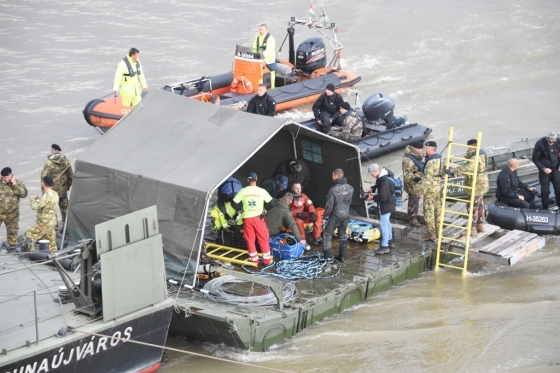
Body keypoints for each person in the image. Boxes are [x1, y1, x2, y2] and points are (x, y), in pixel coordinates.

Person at [448, 139, 489, 237]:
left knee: (472, 207)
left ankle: (472, 229)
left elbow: (467, 168)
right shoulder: (482, 153)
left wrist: (453, 170)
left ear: (471, 146)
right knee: (479, 204)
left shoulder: (475, 157)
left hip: (475, 183)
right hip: (482, 181)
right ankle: (480, 224)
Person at [232, 172, 273, 265]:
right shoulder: (261, 191)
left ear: (247, 180)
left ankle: (254, 260)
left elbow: (233, 203)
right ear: (256, 179)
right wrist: (265, 210)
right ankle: (266, 260)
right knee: (263, 238)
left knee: (250, 239)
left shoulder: (243, 191)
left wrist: (240, 210)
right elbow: (272, 203)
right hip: (258, 218)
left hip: (247, 218)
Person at [323, 168, 354, 262]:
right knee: (343, 235)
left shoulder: (333, 190)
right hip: (346, 214)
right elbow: (349, 202)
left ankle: (326, 258)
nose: (332, 176)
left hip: (335, 216)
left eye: (332, 175)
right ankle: (341, 257)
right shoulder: (350, 188)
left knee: (327, 235)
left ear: (336, 176)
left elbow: (329, 206)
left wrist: (324, 217)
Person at [22, 176, 59, 253]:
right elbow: (47, 204)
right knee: (51, 242)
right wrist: (40, 200)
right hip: (52, 222)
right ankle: (54, 257)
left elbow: (35, 206)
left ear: (43, 183)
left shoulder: (45, 196)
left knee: (29, 235)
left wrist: (32, 199)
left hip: (43, 223)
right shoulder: (55, 194)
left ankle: (30, 253)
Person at [365, 164, 397, 253]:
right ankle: (390, 241)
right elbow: (379, 187)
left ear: (376, 171)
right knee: (387, 222)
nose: (371, 175)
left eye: (372, 174)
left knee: (383, 224)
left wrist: (372, 198)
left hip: (386, 205)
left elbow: (383, 197)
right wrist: (372, 189)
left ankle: (384, 246)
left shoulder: (385, 181)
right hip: (390, 203)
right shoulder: (383, 176)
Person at [41, 144, 73, 226]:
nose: (50, 151)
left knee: (52, 210)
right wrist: (68, 185)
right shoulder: (66, 161)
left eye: (51, 149)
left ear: (55, 150)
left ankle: (54, 229)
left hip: (52, 191)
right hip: (63, 190)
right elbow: (71, 175)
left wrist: (44, 191)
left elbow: (44, 177)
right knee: (65, 208)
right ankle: (66, 227)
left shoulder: (49, 163)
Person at [420, 141, 443, 241]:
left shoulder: (430, 162)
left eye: (426, 149)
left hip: (429, 189)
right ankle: (439, 232)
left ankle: (431, 234)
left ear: (430, 149)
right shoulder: (440, 158)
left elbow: (427, 178)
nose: (425, 150)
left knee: (428, 212)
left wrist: (422, 192)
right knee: (438, 211)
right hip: (438, 188)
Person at [0, 167, 28, 249]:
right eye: (4, 177)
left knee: (12, 235)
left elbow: (24, 194)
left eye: (8, 177)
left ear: (11, 175)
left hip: (12, 214)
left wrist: (15, 185)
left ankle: (12, 250)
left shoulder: (18, 182)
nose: (6, 179)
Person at [531, 132, 560, 209]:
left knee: (558, 189)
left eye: (552, 142)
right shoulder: (539, 144)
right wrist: (543, 168)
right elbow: (535, 159)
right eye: (549, 142)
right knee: (545, 192)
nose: (550, 143)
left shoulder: (559, 142)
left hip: (556, 169)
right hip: (545, 170)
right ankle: (545, 208)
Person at [402, 140, 424, 227]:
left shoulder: (417, 156)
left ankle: (413, 216)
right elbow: (407, 176)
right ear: (414, 149)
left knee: (416, 200)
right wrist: (418, 176)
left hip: (418, 184)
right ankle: (412, 218)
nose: (421, 151)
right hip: (413, 185)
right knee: (413, 201)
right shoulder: (408, 160)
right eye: (420, 149)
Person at [253, 24, 276, 88]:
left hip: (269, 61)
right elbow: (254, 47)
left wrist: (263, 55)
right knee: (260, 76)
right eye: (259, 29)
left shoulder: (270, 38)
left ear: (266, 30)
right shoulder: (257, 37)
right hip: (260, 61)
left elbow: (269, 49)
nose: (260, 31)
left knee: (271, 76)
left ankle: (272, 89)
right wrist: (254, 56)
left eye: (262, 29)